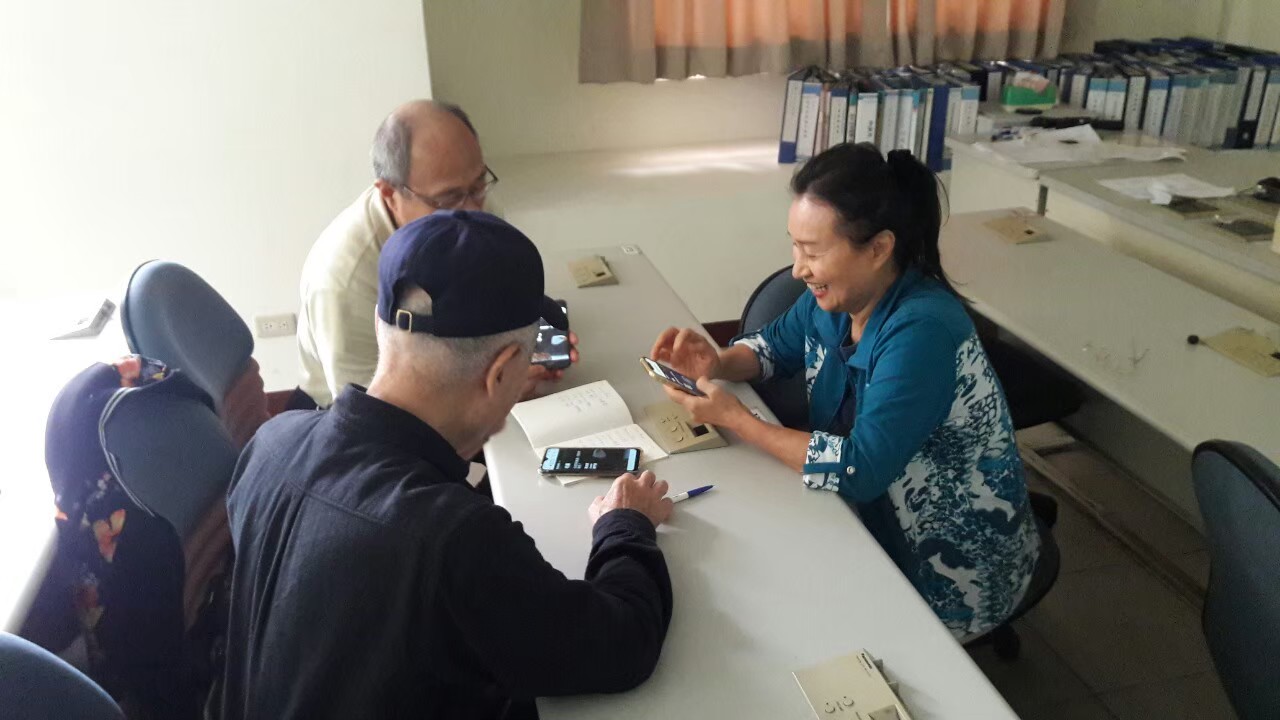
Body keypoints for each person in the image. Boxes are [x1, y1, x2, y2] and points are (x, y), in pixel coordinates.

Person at [222, 211, 674, 719]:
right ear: (500, 371)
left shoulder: (270, 444)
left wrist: (485, 402)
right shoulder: (453, 539)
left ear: (382, 326)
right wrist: (625, 525)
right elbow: (623, 644)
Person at [650, 143, 1040, 640]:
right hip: (866, 519)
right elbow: (773, 347)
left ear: (878, 249)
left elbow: (860, 469)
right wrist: (718, 361)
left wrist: (739, 421)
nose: (798, 268)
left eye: (813, 252)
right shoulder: (839, 298)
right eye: (795, 246)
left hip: (948, 568)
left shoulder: (921, 332)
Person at [296, 99, 577, 408]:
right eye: (448, 199)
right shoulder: (344, 282)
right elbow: (373, 416)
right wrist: (491, 393)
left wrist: (522, 343)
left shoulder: (472, 203)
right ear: (389, 194)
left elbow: (493, 292)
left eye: (478, 185)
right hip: (346, 418)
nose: (473, 213)